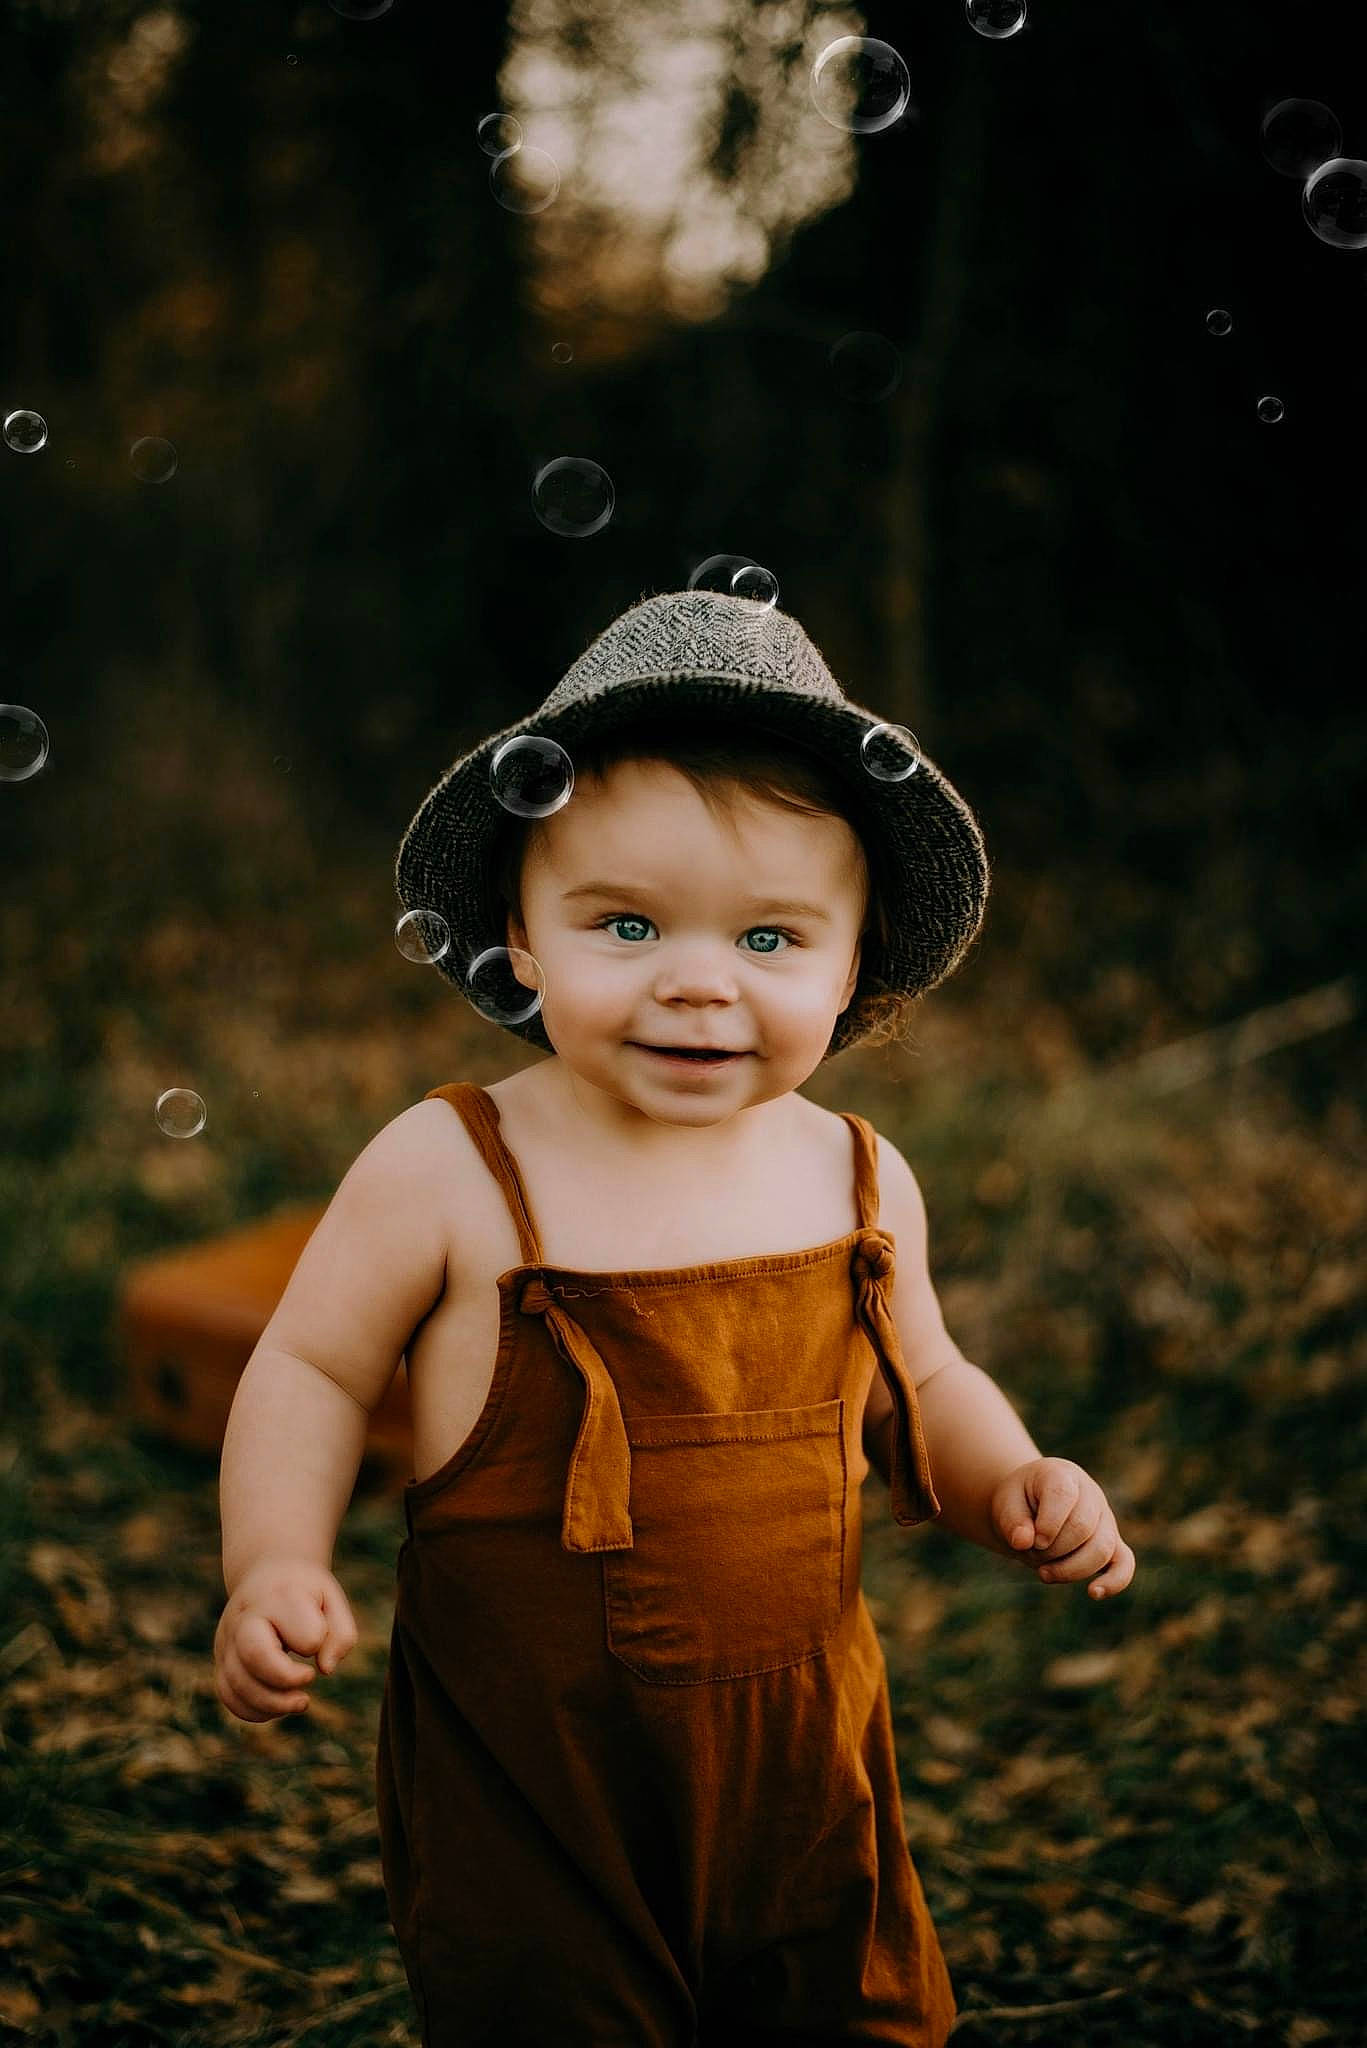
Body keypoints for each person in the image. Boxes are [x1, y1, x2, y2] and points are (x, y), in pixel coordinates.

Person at [215, 587, 1136, 2047]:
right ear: (520, 938)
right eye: (627, 923)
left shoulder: (857, 1176)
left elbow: (928, 1381)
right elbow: (313, 1369)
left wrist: (1012, 1479)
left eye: (772, 939)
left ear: (856, 970)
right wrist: (272, 1563)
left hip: (804, 1772)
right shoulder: (454, 1166)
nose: (698, 980)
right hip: (533, 1793)